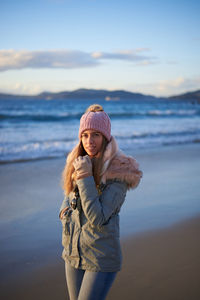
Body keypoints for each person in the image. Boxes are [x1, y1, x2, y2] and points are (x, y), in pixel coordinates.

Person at [59, 104, 142, 300]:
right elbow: (67, 197)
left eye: (96, 134)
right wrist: (63, 214)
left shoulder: (120, 170)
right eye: (85, 135)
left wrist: (85, 176)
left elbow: (97, 217)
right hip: (73, 252)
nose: (89, 141)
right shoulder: (78, 162)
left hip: (100, 256)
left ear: (105, 136)